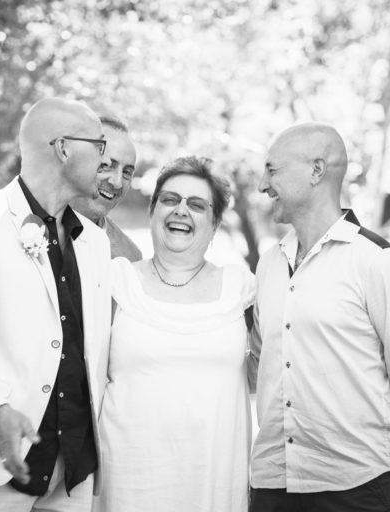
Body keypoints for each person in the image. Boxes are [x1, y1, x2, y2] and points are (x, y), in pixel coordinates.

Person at [0, 114, 142, 512]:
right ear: (70, 153)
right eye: (105, 162)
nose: (115, 181)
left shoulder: (119, 252)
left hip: (68, 458)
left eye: (127, 171)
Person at [248, 122, 390, 512]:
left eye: (272, 170)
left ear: (316, 171)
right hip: (272, 486)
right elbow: (257, 362)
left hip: (358, 488)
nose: (261, 185)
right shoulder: (268, 265)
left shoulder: (378, 263)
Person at [93, 156, 255, 512]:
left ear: (213, 224)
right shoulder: (116, 281)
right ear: (152, 212)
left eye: (197, 205)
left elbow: (272, 367)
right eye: (169, 200)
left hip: (214, 479)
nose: (181, 210)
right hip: (129, 480)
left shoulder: (241, 289)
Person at [72, 115, 142, 262]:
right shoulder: (27, 223)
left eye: (127, 172)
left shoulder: (129, 257)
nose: (117, 183)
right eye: (108, 165)